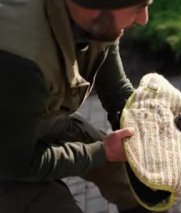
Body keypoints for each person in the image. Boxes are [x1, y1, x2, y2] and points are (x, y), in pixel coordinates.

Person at [0, 0, 161, 212]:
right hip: (8, 156)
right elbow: (15, 163)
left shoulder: (96, 21)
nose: (144, 20)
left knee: (129, 176)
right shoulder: (22, 60)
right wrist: (100, 152)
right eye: (138, 9)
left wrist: (144, 126)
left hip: (35, 119)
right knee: (55, 204)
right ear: (95, 9)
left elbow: (116, 89)